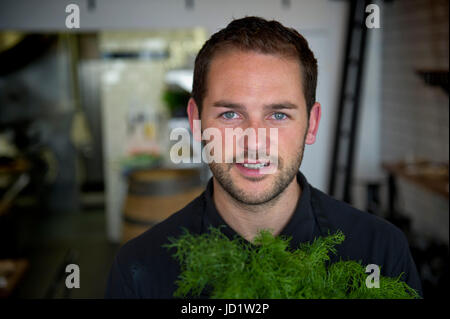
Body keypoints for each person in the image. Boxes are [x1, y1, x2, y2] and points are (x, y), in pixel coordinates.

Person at [105, 16, 422, 298]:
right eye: (230, 114)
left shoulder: (380, 253)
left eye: (278, 115)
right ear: (195, 121)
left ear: (311, 125)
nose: (254, 140)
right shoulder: (139, 270)